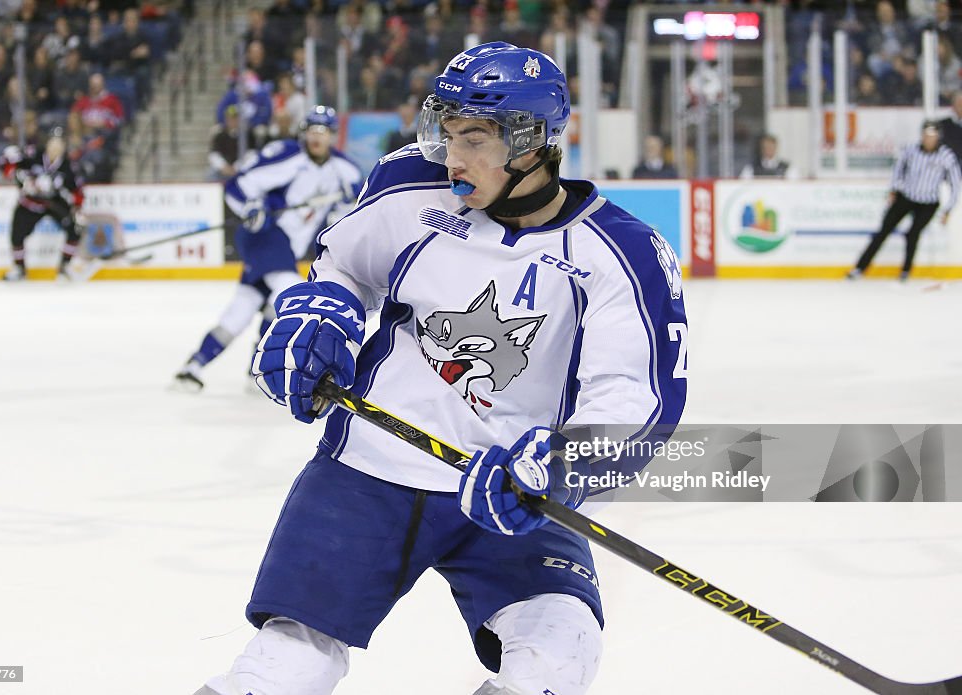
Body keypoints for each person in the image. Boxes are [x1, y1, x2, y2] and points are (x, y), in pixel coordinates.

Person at [192, 43, 687, 695]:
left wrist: (561, 464)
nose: (453, 156)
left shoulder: (621, 253)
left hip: (509, 491)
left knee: (557, 660)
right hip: (370, 473)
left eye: (475, 138)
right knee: (284, 665)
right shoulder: (409, 183)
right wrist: (320, 308)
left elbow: (636, 399)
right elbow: (343, 265)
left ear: (531, 141)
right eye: (448, 133)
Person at [173, 105, 362, 392]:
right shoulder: (288, 156)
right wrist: (251, 207)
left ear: (334, 136)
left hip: (286, 250)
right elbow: (239, 185)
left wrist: (348, 204)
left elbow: (350, 217)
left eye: (323, 131)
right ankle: (275, 366)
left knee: (245, 306)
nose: (316, 137)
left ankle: (194, 366)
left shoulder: (346, 171)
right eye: (312, 130)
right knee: (293, 292)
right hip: (265, 237)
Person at [848, 120, 960, 282]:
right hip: (906, 197)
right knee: (883, 232)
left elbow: (955, 185)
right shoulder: (910, 150)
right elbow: (897, 170)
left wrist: (948, 209)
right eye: (926, 136)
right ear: (922, 136)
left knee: (913, 234)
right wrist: (894, 189)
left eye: (932, 136)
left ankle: (905, 271)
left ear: (938, 137)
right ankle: (859, 268)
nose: (929, 139)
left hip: (928, 203)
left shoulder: (946, 156)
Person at [0, 127, 85, 281]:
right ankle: (19, 268)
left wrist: (78, 209)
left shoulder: (68, 165)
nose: (55, 148)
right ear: (47, 144)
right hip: (30, 202)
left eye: (59, 145)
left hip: (54, 202)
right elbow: (9, 168)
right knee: (17, 235)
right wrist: (18, 174)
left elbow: (77, 189)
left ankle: (64, 267)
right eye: (53, 144)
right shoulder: (33, 154)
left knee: (75, 231)